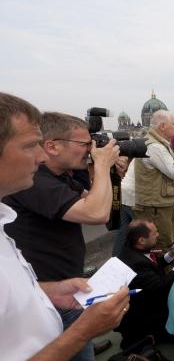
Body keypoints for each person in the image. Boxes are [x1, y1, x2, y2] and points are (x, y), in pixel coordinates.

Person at [0, 92, 130, 361]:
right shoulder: (36, 183)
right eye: (29, 146)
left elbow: (103, 209)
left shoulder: (56, 179)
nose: (39, 156)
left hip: (55, 296)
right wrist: (81, 333)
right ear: (53, 145)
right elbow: (96, 212)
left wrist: (49, 291)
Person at [116, 220, 174, 348]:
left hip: (143, 300)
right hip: (144, 313)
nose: (158, 235)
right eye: (154, 233)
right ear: (141, 240)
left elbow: (153, 266)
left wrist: (171, 254)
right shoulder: (136, 263)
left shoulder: (131, 250)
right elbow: (161, 287)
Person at [132, 110, 174, 251]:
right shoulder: (154, 146)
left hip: (162, 204)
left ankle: (173, 268)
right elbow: (173, 172)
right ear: (163, 126)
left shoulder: (161, 144)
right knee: (163, 243)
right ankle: (167, 271)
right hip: (156, 207)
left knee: (172, 239)